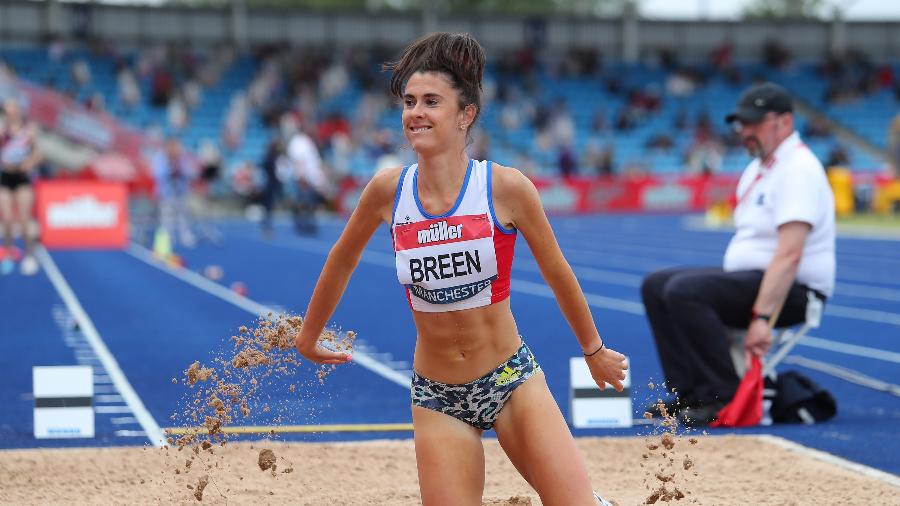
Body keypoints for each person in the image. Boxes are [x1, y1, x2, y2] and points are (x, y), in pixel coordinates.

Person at [294, 32, 626, 505]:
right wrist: (309, 334)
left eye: (432, 101)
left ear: (465, 114)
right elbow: (341, 260)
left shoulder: (505, 188)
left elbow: (557, 272)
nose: (416, 113)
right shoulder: (388, 191)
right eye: (409, 102)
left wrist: (593, 350)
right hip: (438, 395)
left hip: (510, 381)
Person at [640, 82, 836, 426]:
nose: (744, 131)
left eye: (754, 123)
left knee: (685, 291)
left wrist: (762, 318)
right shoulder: (759, 169)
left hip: (794, 292)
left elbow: (790, 254)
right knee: (656, 285)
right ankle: (689, 393)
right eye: (741, 124)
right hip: (757, 281)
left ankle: (721, 396)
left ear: (784, 122)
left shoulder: (799, 170)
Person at [0, 99, 43, 276]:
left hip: (23, 179)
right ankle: (8, 253)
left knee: (25, 220)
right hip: (5, 178)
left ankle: (30, 255)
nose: (9, 114)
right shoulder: (2, 130)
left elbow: (39, 153)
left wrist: (30, 162)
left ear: (18, 112)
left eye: (12, 110)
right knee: (7, 220)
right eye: (6, 111)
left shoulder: (29, 130)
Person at [151, 137, 196, 248]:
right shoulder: (160, 158)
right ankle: (168, 237)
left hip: (180, 191)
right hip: (166, 192)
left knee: (183, 214)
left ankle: (185, 235)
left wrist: (180, 170)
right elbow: (157, 174)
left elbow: (190, 173)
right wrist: (170, 170)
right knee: (166, 216)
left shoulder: (183, 158)